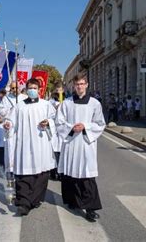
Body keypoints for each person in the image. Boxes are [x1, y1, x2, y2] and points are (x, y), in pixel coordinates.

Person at [57, 73, 106, 222]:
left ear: (87, 85)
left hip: (86, 143)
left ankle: (90, 208)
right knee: (70, 173)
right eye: (77, 84)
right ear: (74, 86)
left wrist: (85, 126)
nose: (79, 86)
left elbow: (100, 123)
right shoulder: (66, 103)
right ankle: (73, 201)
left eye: (82, 84)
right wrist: (72, 128)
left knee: (87, 175)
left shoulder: (94, 103)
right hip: (71, 142)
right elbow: (59, 122)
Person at [4, 78, 57, 216]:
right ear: (26, 90)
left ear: (39, 89)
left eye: (35, 88)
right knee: (24, 173)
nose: (32, 90)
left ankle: (34, 199)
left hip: (41, 144)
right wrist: (8, 124)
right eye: (30, 88)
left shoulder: (46, 105)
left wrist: (49, 122)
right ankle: (24, 203)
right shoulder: (19, 106)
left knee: (41, 174)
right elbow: (10, 121)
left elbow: (56, 120)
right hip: (25, 144)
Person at [49, 82, 65, 181]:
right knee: (55, 152)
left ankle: (62, 172)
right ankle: (54, 172)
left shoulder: (67, 100)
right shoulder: (51, 101)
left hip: (63, 129)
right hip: (54, 129)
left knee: (63, 151)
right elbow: (49, 114)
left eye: (61, 89)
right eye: (57, 89)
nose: (59, 90)